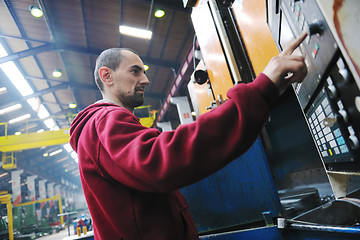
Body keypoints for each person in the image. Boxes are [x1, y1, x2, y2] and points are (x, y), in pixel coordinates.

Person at [69, 32, 308, 240]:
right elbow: (163, 159)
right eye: (135, 71)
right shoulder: (105, 120)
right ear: (107, 76)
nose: (146, 80)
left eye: (144, 72)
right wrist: (262, 89)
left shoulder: (100, 128)